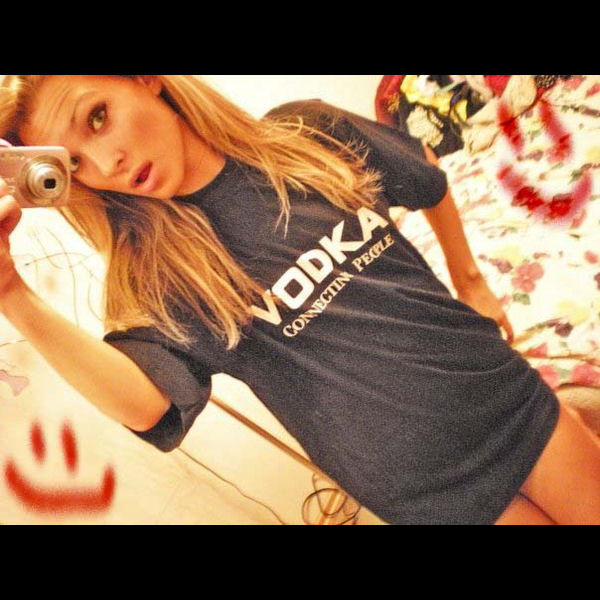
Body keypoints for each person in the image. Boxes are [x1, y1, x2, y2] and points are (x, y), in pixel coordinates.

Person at [0, 75, 598, 525]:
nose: (106, 163)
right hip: (430, 491)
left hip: (501, 396)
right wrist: (11, 291)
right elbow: (147, 407)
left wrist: (472, 281)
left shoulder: (308, 134)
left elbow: (425, 176)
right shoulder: (159, 276)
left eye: (98, 117)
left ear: (145, 80)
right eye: (73, 164)